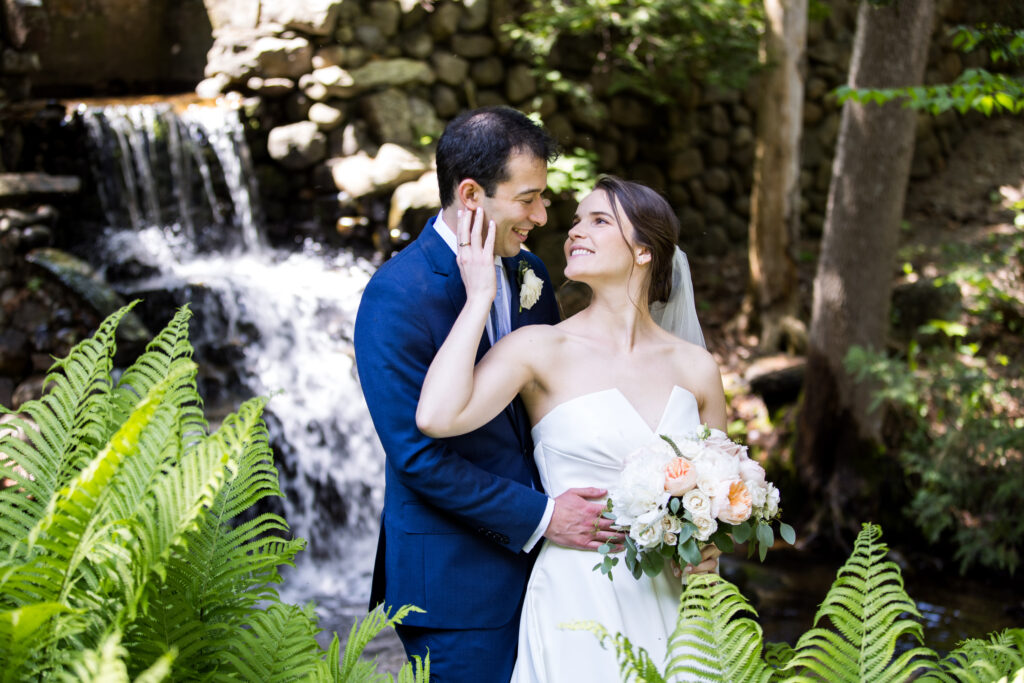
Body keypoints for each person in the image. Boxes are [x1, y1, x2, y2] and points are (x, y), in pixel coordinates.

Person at [416, 176, 727, 682]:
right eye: (576, 221)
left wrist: (710, 551)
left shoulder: (697, 368)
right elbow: (437, 416)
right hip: (577, 596)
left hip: (677, 602)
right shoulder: (539, 349)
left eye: (599, 221)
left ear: (645, 252)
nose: (573, 231)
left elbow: (720, 498)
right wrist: (479, 299)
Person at [353, 107, 619, 682]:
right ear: (471, 195)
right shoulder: (395, 295)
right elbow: (418, 456)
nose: (543, 216)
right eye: (528, 200)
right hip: (457, 585)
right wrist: (544, 516)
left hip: (552, 572)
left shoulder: (530, 273)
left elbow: (554, 401)